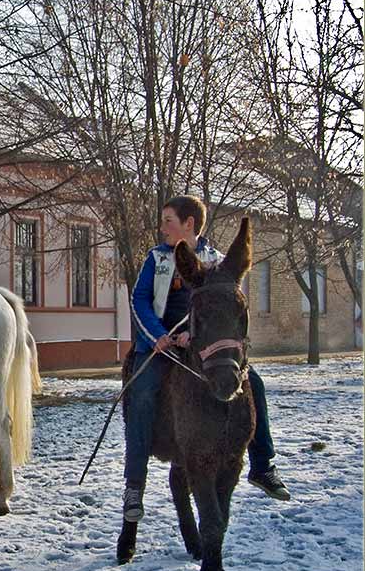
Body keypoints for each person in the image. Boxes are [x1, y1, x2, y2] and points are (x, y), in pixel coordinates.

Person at [123, 195, 291, 522]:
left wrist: (194, 337)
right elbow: (139, 300)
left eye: (168, 220)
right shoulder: (156, 259)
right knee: (142, 395)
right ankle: (134, 486)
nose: (162, 227)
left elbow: (220, 310)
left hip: (199, 346)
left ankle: (262, 465)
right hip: (159, 346)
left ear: (189, 224)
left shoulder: (216, 261)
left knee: (253, 383)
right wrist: (158, 336)